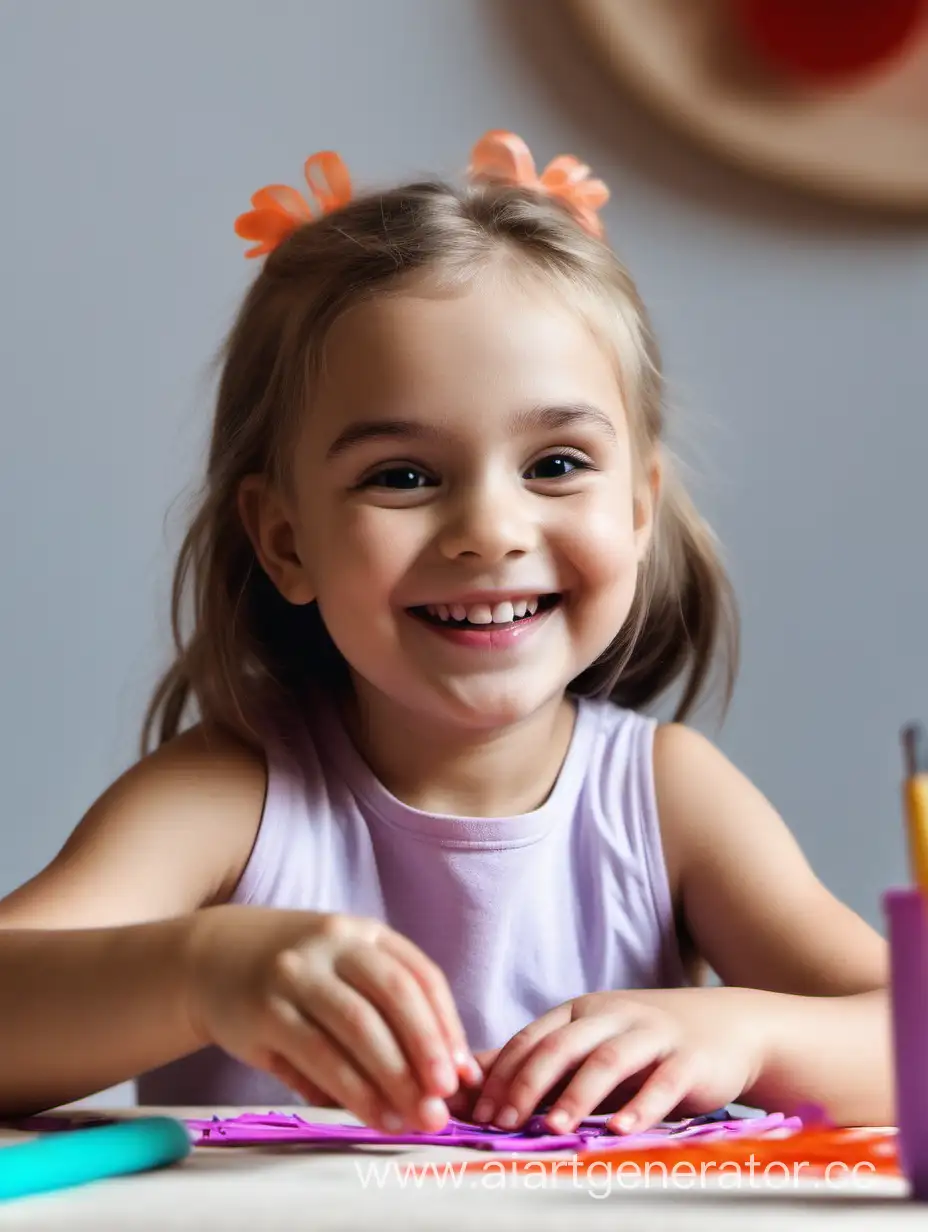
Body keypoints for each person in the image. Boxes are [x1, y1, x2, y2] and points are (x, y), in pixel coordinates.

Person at [0, 130, 890, 1138]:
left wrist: (747, 1035)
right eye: (403, 476)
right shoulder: (230, 795)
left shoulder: (668, 800)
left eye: (555, 463)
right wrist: (206, 969)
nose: (490, 533)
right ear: (286, 540)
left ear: (639, 510)